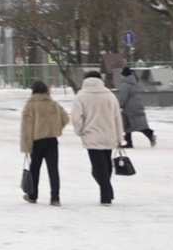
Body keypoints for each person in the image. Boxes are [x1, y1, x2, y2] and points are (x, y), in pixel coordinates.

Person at [68, 71, 125, 205]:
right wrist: (119, 136)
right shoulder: (109, 95)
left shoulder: (81, 96)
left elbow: (76, 117)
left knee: (97, 167)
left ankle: (106, 194)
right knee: (106, 165)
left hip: (91, 135)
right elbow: (117, 117)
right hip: (109, 134)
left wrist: (79, 131)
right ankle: (107, 191)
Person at [19, 80, 69, 206]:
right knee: (53, 170)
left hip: (37, 142)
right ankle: (55, 198)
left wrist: (26, 145)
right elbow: (66, 118)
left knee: (35, 169)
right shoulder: (53, 103)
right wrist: (56, 128)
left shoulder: (30, 105)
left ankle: (32, 196)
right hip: (52, 140)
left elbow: (26, 127)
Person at [116, 67, 155, 148]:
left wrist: (119, 105)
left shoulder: (125, 84)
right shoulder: (134, 82)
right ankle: (149, 133)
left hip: (129, 107)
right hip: (137, 104)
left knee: (127, 124)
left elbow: (123, 97)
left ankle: (129, 142)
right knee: (138, 124)